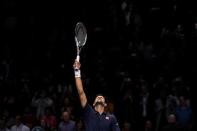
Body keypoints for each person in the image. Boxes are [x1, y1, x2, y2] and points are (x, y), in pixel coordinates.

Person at [73, 60, 120, 131]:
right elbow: (81, 92)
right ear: (94, 104)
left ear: (105, 104)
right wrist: (77, 71)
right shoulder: (89, 112)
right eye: (97, 97)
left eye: (102, 97)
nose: (100, 96)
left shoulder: (111, 118)